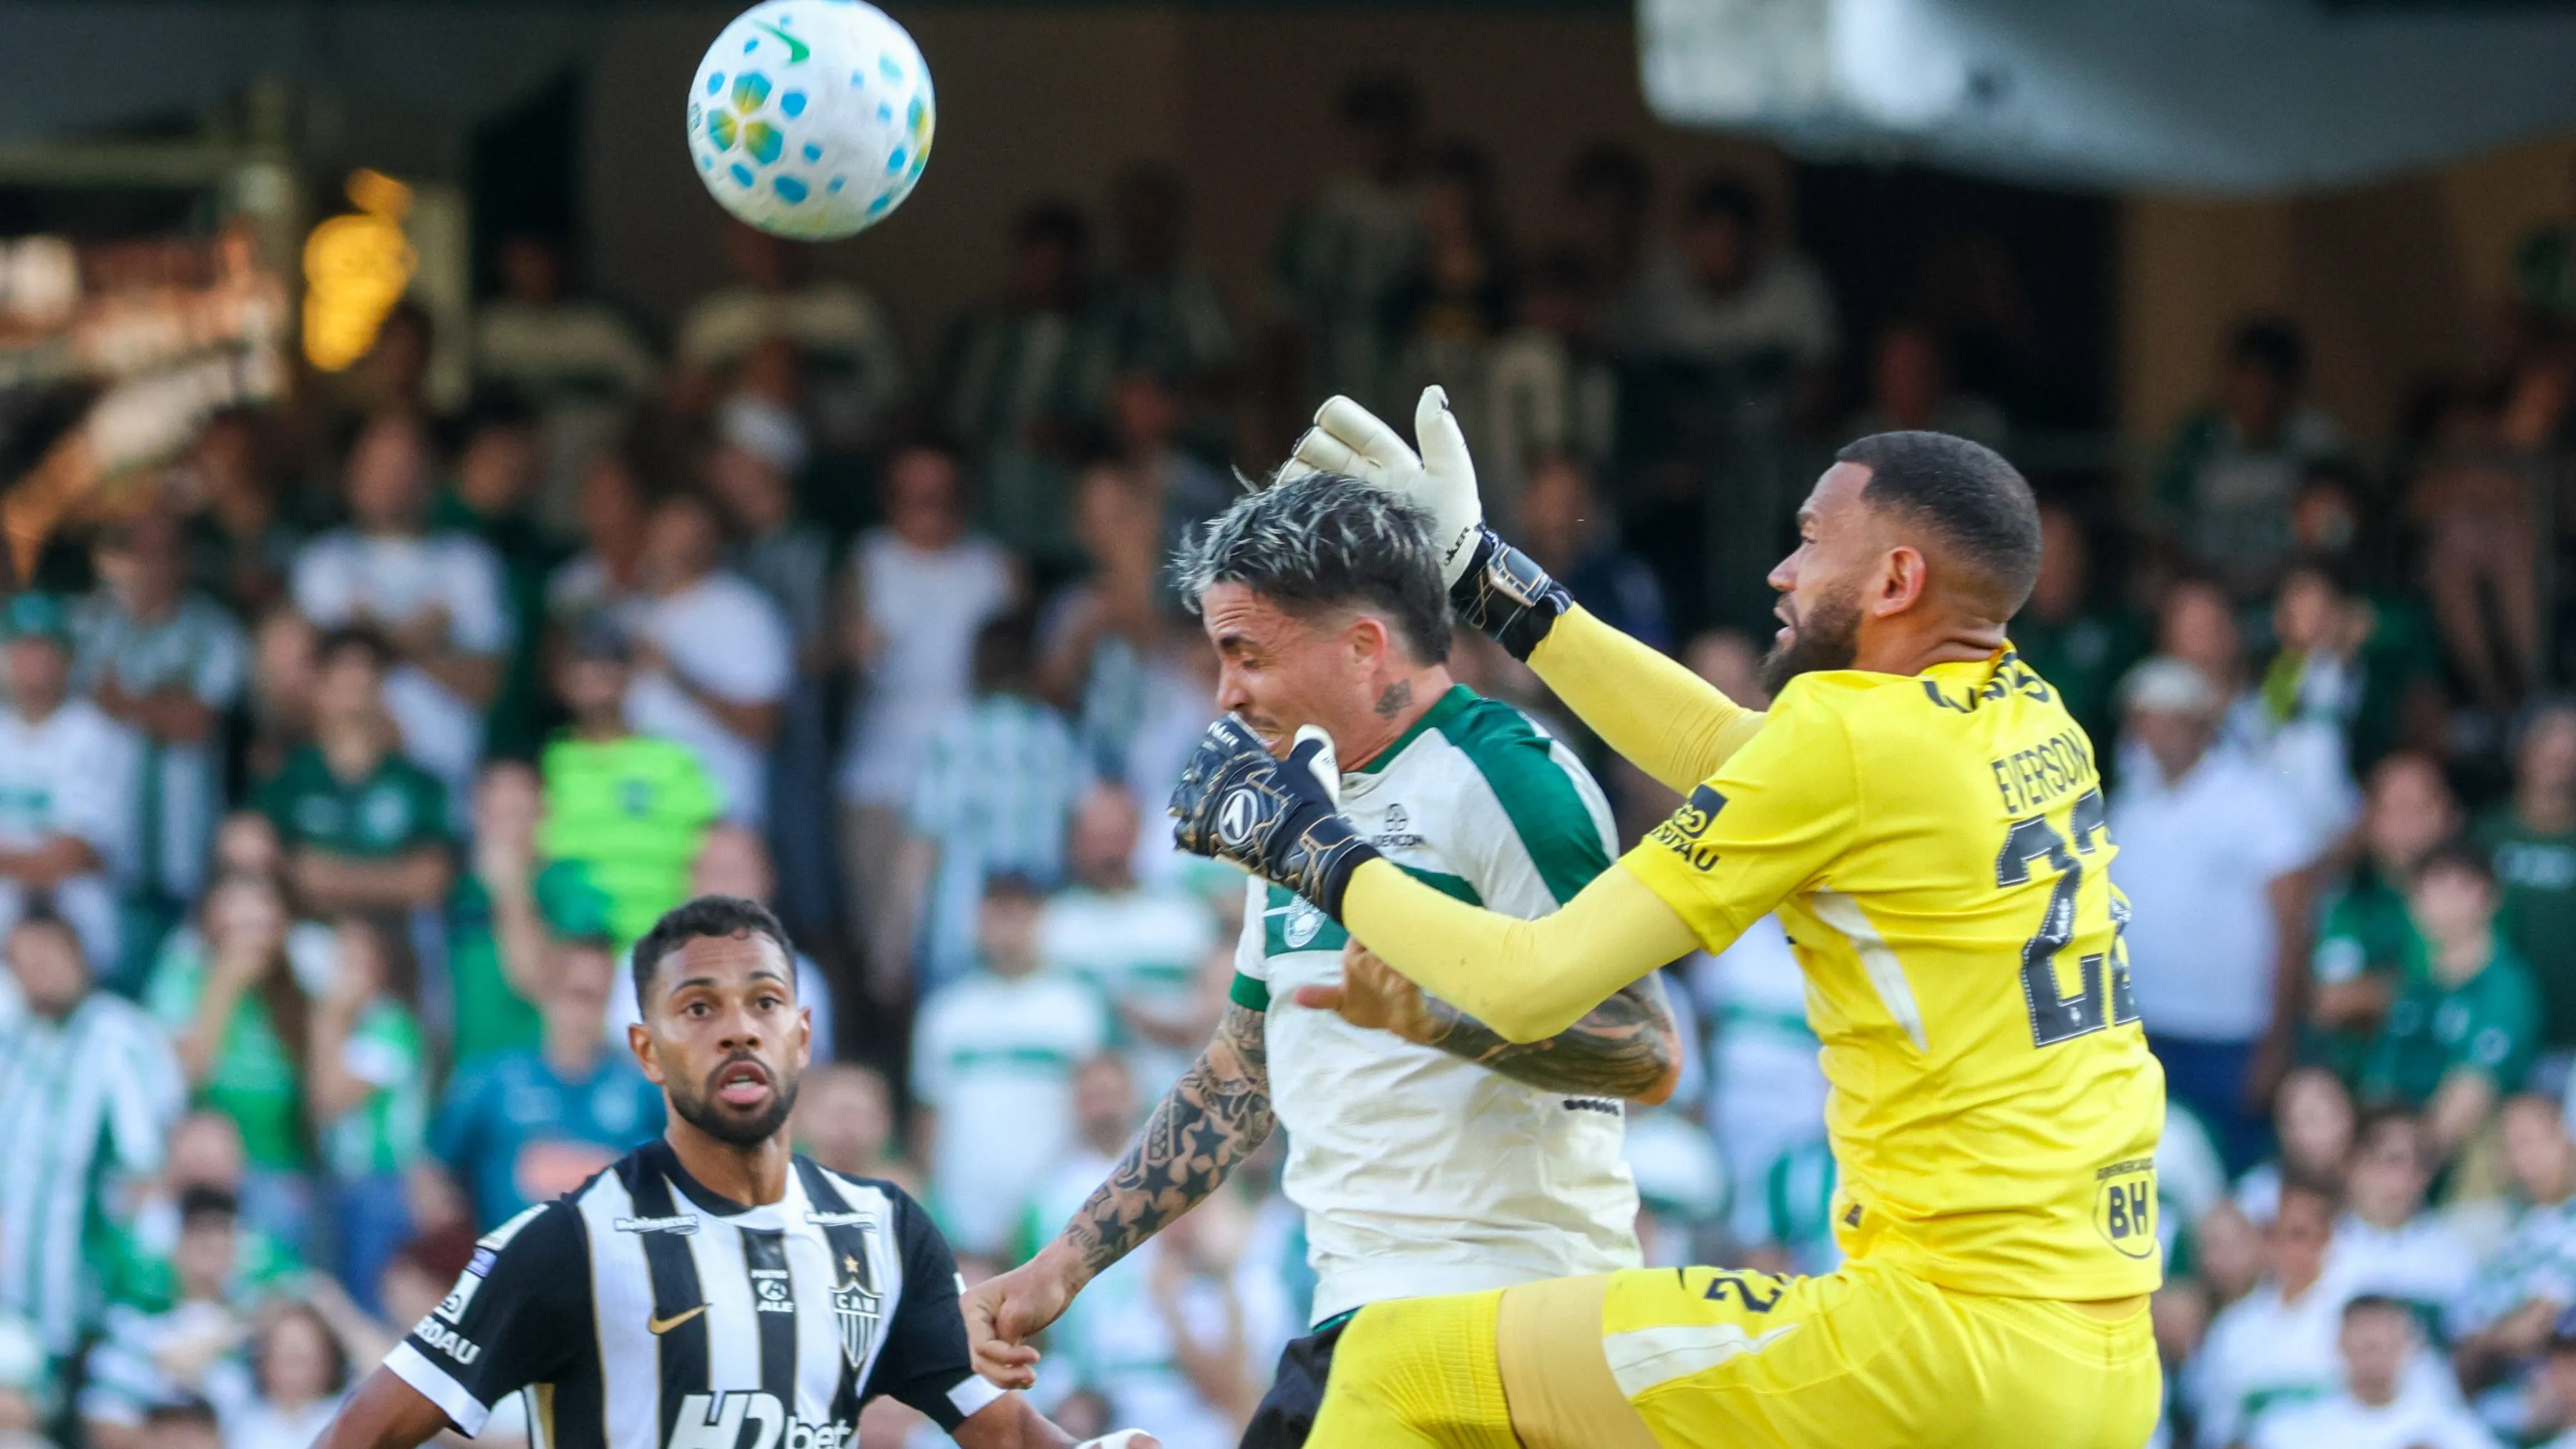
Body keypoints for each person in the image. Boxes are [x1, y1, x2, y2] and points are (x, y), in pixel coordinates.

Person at [1151, 399, 2158, 1445]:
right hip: (2104, 1365)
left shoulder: (1849, 742)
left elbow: (1530, 984)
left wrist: (1303, 844)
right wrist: (1481, 573)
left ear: (1897, 582)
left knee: (1393, 1367)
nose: (1781, 571)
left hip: (1943, 1346)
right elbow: (1739, 754)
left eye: (1811, 541)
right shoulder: (2033, 713)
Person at [970, 467, 1684, 1449]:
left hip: (1511, 1321)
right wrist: (1062, 1266)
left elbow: (1642, 1052)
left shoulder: (1508, 775)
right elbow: (1238, 1076)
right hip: (1358, 1320)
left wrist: (1431, 1019)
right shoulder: (1296, 807)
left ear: (1362, 647)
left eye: (1246, 654)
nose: (1226, 692)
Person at [308, 895, 1154, 1449]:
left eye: (764, 1002)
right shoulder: (568, 1242)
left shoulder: (884, 1234)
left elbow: (1004, 1437)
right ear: (646, 1050)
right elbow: (359, 1435)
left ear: (803, 1033)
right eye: (698, 1008)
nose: (738, 1030)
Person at [2109, 655, 2318, 1172]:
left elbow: (2295, 926)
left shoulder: (2256, 799)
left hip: (2233, 1039)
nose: (2154, 732)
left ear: (2202, 722)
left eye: (2168, 717)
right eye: (2143, 718)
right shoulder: (2127, 804)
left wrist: (2278, 1042)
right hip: (2145, 1032)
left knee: (2233, 1177)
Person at [837, 444, 1022, 980]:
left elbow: (1022, 663)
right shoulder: (868, 559)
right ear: (892, 500)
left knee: (970, 935)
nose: (931, 505)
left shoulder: (993, 566)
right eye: (917, 495)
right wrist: (854, 642)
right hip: (882, 778)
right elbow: (831, 649)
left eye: (942, 494)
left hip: (979, 780)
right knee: (885, 946)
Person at [290, 412, 509, 806]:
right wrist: (423, 637)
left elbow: (485, 683)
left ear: (432, 474)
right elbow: (303, 690)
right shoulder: (322, 564)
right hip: (343, 798)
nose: (393, 480)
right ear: (351, 474)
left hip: (450, 794)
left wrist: (370, 637)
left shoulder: (469, 564)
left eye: (406, 465)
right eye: (379, 464)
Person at [0, 909, 185, 1363]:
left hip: (91, 1284)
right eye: (25, 962)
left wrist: (129, 1271)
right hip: (18, 1280)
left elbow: (145, 1163)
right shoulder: (21, 1040)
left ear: (79, 956)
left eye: (49, 956)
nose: (39, 973)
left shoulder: (118, 1035)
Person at [426, 882, 662, 1231]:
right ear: (548, 995)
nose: (584, 1015)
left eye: (596, 998)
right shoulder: (491, 1082)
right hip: (513, 1273)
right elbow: (431, 1173)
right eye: (575, 995)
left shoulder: (643, 1090)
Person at [910, 874, 1112, 1259]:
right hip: (962, 1218)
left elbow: (1096, 1108)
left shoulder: (1077, 1007)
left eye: (1018, 912)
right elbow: (928, 1118)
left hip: (1056, 1214)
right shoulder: (945, 1013)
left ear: (1040, 919)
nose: (1007, 925)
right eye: (996, 912)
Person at [890, 615, 1087, 992]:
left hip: (959, 924)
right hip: (1038, 919)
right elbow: (1078, 833)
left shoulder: (951, 734)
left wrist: (896, 940)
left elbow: (922, 847)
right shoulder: (1055, 735)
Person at [76, 509, 250, 910]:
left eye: (168, 552)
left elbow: (196, 722)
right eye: (143, 553)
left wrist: (121, 702)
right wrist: (161, 704)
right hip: (107, 852)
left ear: (187, 559)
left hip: (189, 851)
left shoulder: (216, 630)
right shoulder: (94, 624)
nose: (155, 565)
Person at [141, 874, 320, 1251]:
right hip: (202, 1174)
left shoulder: (297, 990)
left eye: (261, 923)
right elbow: (181, 1076)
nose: (251, 935)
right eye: (240, 922)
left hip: (278, 1169)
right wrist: (224, 984)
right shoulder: (184, 976)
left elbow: (320, 1100)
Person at [538, 622, 721, 945]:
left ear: (630, 674)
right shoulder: (548, 764)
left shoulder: (673, 762)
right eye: (581, 665)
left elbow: (712, 858)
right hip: (576, 961)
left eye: (607, 664)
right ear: (561, 678)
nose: (594, 677)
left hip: (665, 952)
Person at [469, 233, 660, 537]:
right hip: (513, 492)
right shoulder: (491, 330)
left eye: (538, 262)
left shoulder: (599, 330)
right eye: (521, 263)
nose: (531, 272)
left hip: (587, 473)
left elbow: (652, 394)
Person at [625, 490, 792, 828]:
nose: (676, 548)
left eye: (690, 537)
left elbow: (763, 726)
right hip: (639, 810)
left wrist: (678, 677)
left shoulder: (743, 613)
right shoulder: (636, 610)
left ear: (711, 541)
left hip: (716, 813)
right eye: (667, 534)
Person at [1038, 786, 1219, 1096]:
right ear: (1076, 841)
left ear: (1137, 834)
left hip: (1173, 1098)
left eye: (1117, 835)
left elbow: (1218, 1015)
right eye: (1097, 837)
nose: (1110, 850)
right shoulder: (1052, 924)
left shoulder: (1184, 919)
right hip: (1082, 1104)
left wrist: (1159, 1026)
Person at [2360, 845, 2540, 1156]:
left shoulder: (2505, 989)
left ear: (2491, 898)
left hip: (2467, 1167)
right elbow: (2379, 1084)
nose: (2442, 901)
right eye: (2430, 888)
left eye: (2459, 888)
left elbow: (2466, 1104)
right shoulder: (2417, 987)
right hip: (2391, 1157)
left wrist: (2396, 1166)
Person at [256, 628, 451, 915]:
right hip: (308, 942)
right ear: (318, 686)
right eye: (342, 678)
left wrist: (330, 879)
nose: (355, 690)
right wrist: (396, 880)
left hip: (399, 944)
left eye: (366, 678)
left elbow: (430, 881)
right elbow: (278, 875)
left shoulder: (420, 783)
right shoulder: (285, 779)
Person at [675, 223, 909, 458]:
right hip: (738, 466)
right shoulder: (710, 322)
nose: (772, 253)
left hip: (847, 458)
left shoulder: (852, 311)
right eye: (758, 244)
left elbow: (895, 402)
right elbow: (682, 407)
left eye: (782, 241)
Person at [2154, 318, 2349, 599]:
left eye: (2271, 383)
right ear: (2231, 379)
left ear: (2291, 387)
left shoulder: (2318, 441)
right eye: (2249, 378)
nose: (2259, 394)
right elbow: (2160, 526)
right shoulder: (2197, 438)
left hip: (2293, 591)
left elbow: (2346, 529)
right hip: (2209, 590)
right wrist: (2196, 584)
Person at [0, 591, 141, 971]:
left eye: (46, 649)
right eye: (22, 648)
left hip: (77, 942)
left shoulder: (98, 734)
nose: (34, 662)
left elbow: (72, 855)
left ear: (68, 657)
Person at [2312, 753, 2460, 1077]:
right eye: (2392, 810)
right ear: (2369, 819)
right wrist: (2419, 989)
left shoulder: (2477, 894)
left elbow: (2473, 991)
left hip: (2449, 1080)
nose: (2406, 824)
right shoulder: (2347, 897)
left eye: (2418, 809)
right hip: (2358, 1086)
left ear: (2447, 815)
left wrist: (2375, 994)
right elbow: (2329, 1002)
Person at [2187, 1176, 2351, 1447]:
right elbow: (2218, 1430)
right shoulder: (2232, 1329)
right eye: (2278, 1234)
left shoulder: (2352, 1317)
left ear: (2327, 1239)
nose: (2291, 1248)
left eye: (2303, 1235)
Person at [2245, 1294, 2498, 1449]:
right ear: (2340, 1345)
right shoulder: (2295, 1431)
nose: (2373, 1357)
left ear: (2409, 1346)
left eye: (2382, 1345)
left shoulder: (2451, 1430)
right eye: (2364, 1346)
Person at [2478, 703, 2576, 1062]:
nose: (2561, 759)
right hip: (2495, 1030)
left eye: (2571, 750)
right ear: (2522, 753)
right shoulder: (2485, 835)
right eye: (2549, 746)